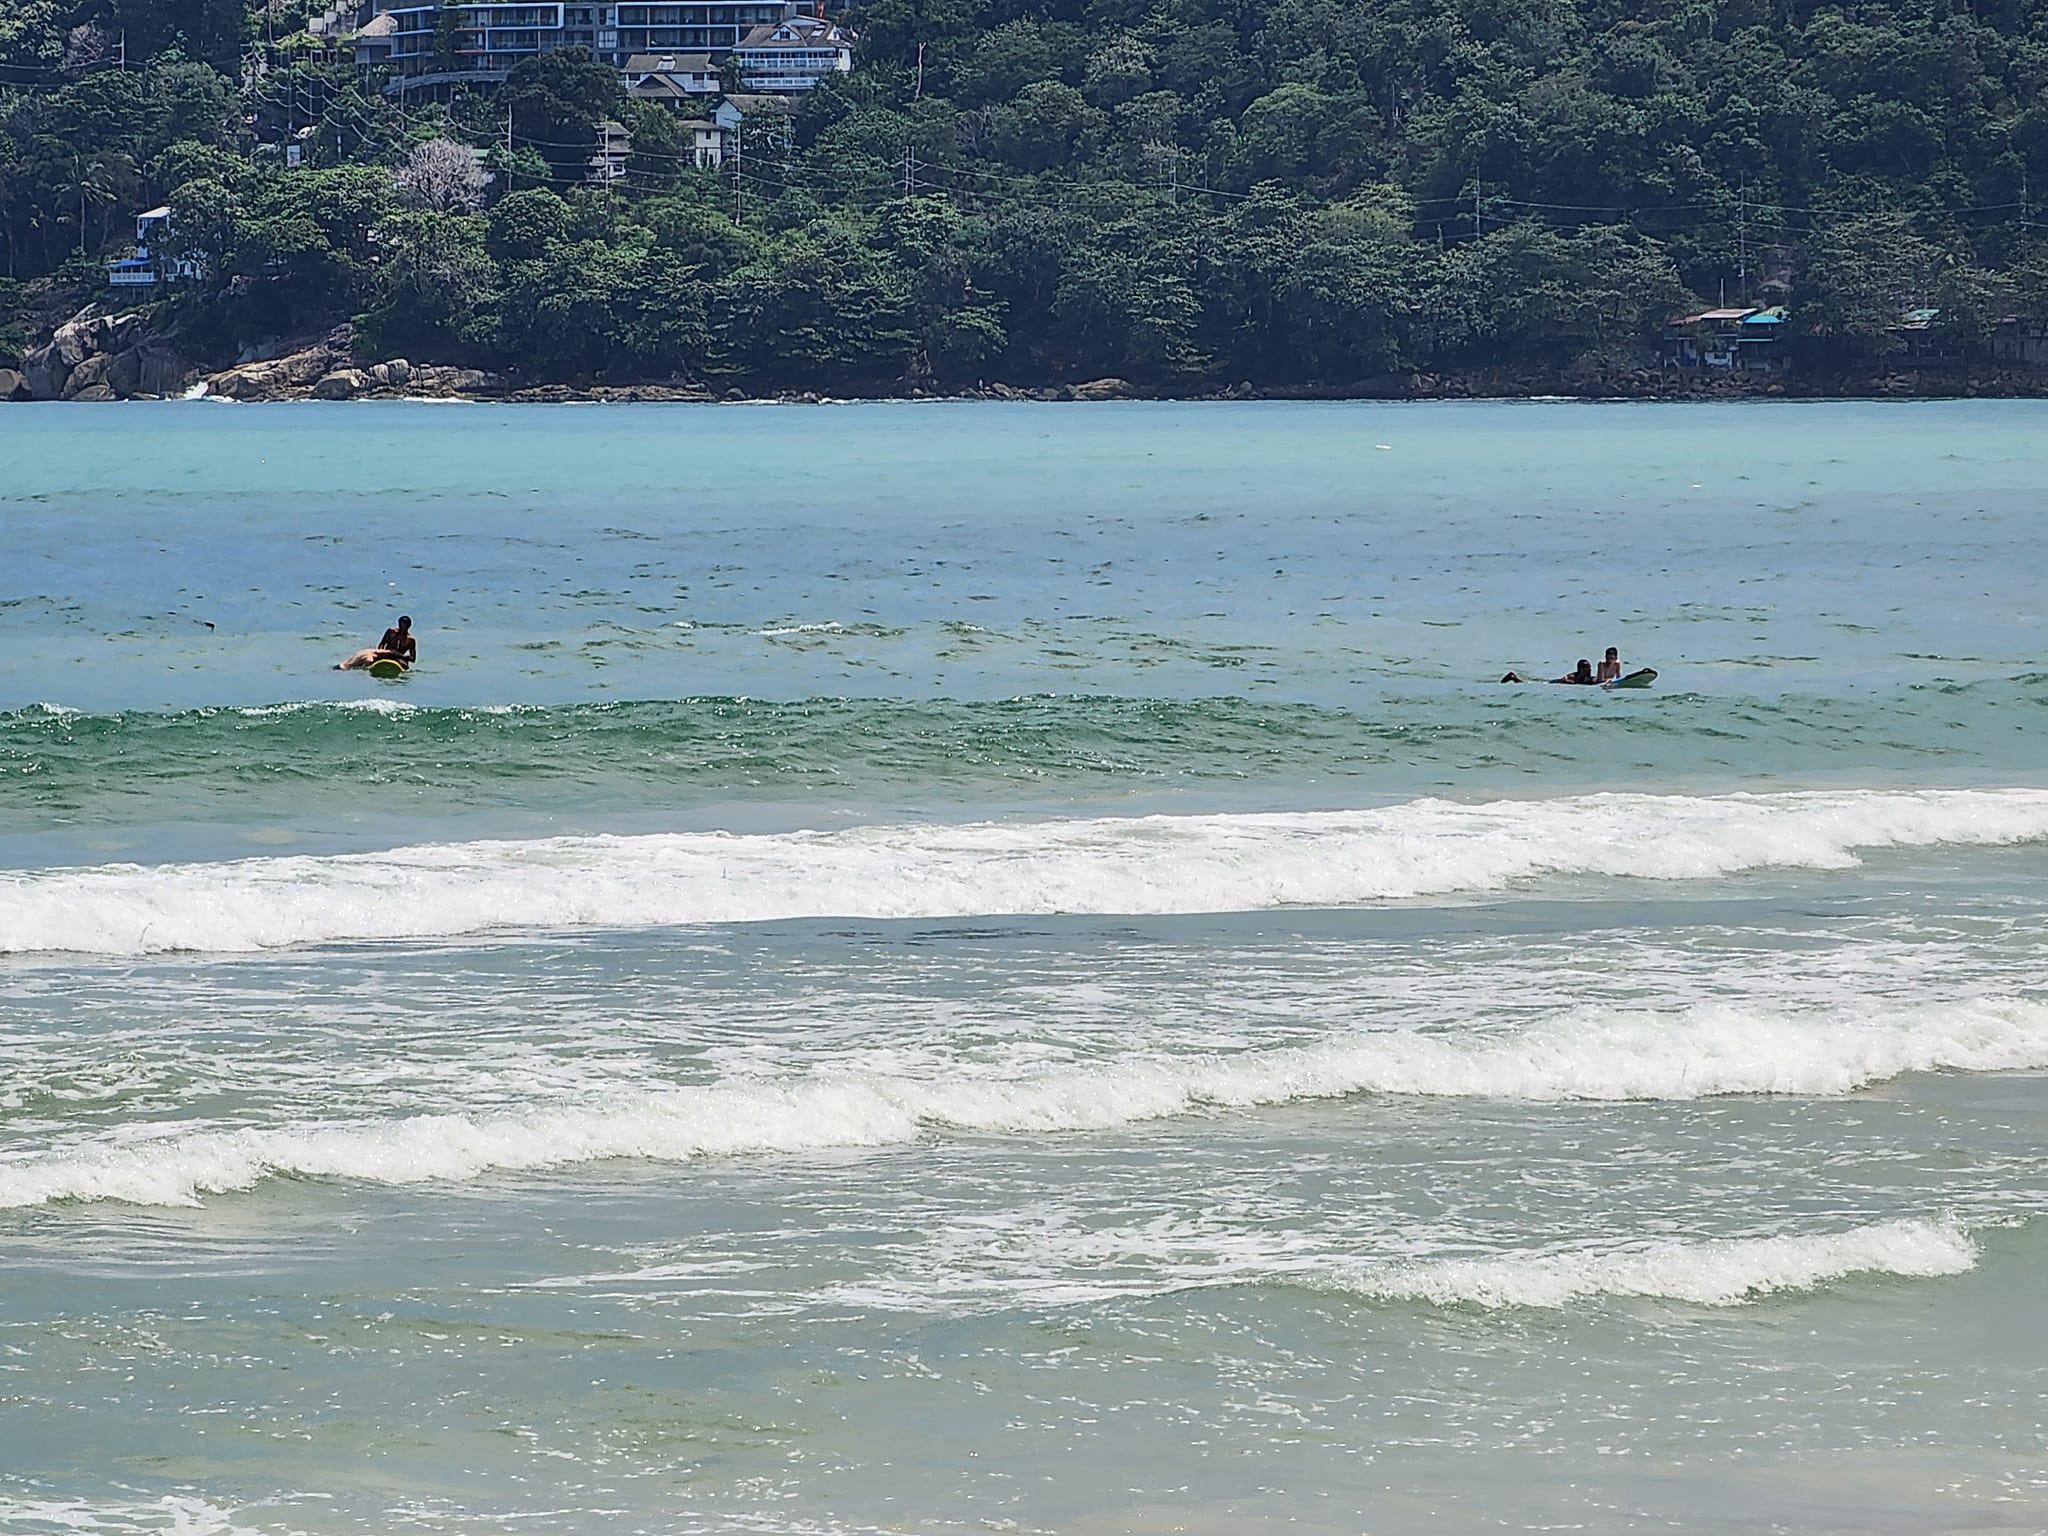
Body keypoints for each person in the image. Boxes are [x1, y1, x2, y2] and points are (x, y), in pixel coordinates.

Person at [339, 615, 417, 671]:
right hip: (386, 654)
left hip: (399, 658)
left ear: (408, 626)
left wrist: (399, 655)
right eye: (400, 624)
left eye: (404, 625)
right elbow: (382, 644)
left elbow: (413, 659)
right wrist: (380, 653)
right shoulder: (391, 632)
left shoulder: (410, 640)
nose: (402, 627)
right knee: (367, 659)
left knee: (405, 665)